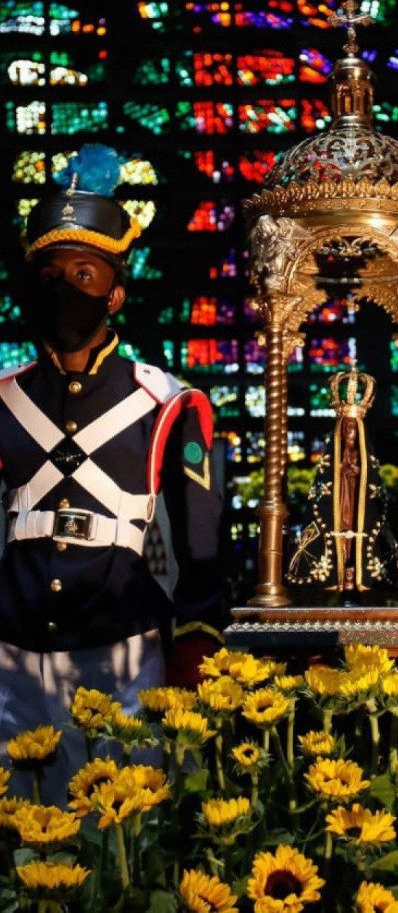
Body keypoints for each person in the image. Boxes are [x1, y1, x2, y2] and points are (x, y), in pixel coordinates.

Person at [0, 144, 229, 801]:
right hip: (9, 651)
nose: (62, 289)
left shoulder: (172, 403)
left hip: (122, 650)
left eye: (83, 274)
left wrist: (196, 637)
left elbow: (202, 549)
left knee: (121, 847)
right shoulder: (4, 398)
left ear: (117, 293)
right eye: (48, 274)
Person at [286, 364, 398, 602]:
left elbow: (373, 494)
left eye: (353, 429)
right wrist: (340, 472)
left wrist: (356, 472)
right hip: (340, 504)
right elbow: (323, 492)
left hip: (356, 506)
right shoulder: (332, 462)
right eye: (346, 429)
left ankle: (358, 572)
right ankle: (337, 574)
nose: (349, 433)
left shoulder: (365, 462)